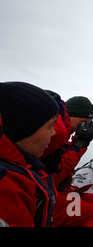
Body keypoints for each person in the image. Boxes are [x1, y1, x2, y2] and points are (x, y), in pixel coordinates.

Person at [49, 96, 93, 227]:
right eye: (83, 121)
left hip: (63, 194)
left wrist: (78, 142)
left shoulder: (63, 137)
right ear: (70, 116)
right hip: (54, 204)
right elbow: (55, 175)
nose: (84, 125)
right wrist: (79, 146)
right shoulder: (53, 137)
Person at [0, 81, 59, 227]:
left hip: (60, 202)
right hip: (64, 202)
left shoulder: (26, 165)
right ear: (23, 129)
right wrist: (78, 148)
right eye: (50, 126)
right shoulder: (8, 189)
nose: (55, 132)